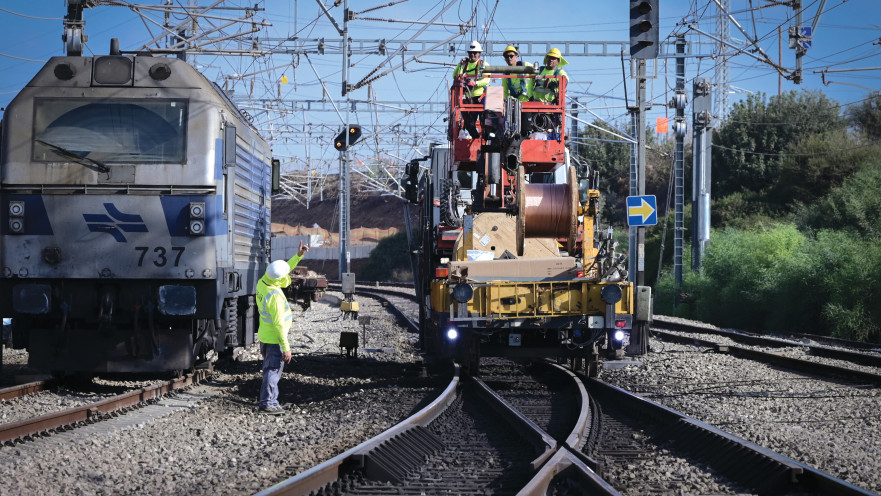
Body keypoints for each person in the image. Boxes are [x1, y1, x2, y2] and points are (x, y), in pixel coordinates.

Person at [256, 240, 309, 415]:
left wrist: (298, 256)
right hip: (275, 338)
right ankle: (267, 403)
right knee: (272, 371)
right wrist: (286, 348)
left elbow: (281, 270)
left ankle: (272, 401)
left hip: (265, 335)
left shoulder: (263, 282)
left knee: (270, 369)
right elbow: (279, 325)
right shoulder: (275, 297)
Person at [452, 40, 490, 139]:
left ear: (479, 53)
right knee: (469, 123)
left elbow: (487, 80)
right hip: (469, 98)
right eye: (470, 53)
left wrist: (476, 83)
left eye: (475, 53)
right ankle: (476, 138)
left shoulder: (484, 65)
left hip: (481, 97)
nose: (472, 55)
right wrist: (460, 64)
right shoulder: (464, 65)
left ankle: (486, 138)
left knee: (484, 120)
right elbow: (455, 76)